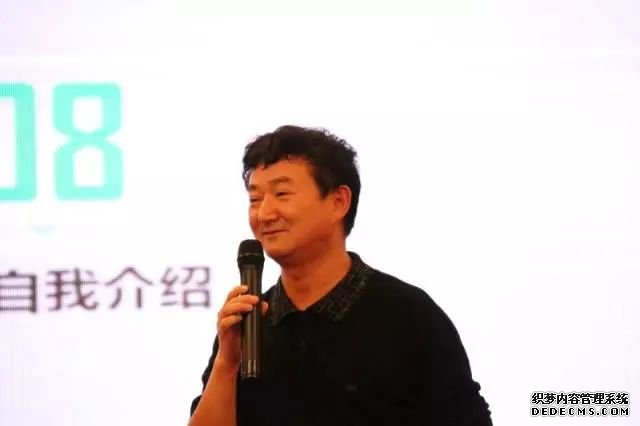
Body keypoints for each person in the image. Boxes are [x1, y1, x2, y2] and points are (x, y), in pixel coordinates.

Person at [189, 125, 493, 426]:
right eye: (255, 199)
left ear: (338, 202)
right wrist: (226, 363)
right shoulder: (249, 325)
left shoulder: (408, 314)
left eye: (282, 194)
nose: (264, 214)